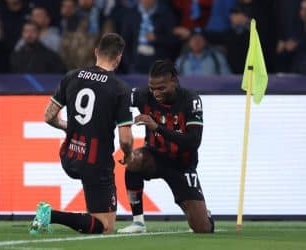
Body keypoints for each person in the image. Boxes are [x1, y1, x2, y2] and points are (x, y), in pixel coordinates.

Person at [29, 33, 134, 235]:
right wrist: (128, 155)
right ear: (119, 57)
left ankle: (68, 217)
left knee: (94, 215)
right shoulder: (120, 88)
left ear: (96, 52)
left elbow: (48, 115)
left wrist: (67, 127)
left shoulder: (72, 76)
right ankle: (50, 214)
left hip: (70, 155)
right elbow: (125, 139)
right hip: (96, 160)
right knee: (106, 226)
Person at [117, 60, 214, 234]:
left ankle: (202, 214)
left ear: (174, 81)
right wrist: (124, 131)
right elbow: (118, 99)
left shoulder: (190, 100)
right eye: (152, 88)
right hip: (154, 157)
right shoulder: (142, 95)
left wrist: (156, 127)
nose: (155, 93)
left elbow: (193, 142)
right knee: (133, 160)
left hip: (182, 165)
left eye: (161, 88)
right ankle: (138, 222)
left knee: (202, 228)